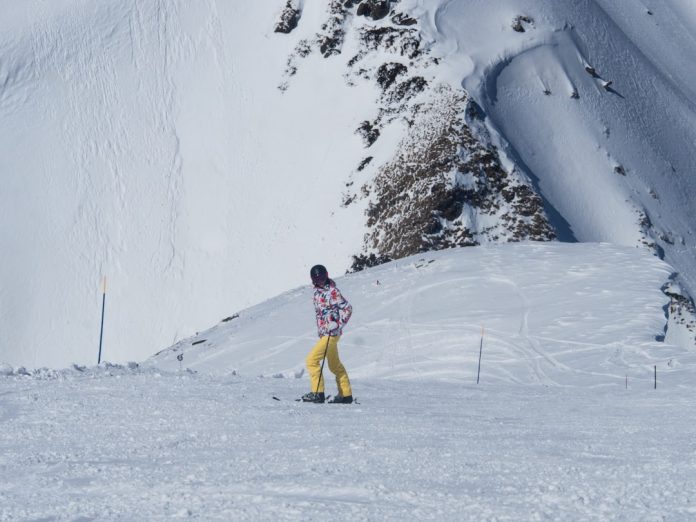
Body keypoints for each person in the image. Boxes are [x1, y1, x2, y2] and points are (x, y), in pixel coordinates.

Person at [302, 264, 353, 404]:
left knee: (311, 360)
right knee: (334, 365)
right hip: (325, 334)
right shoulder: (317, 292)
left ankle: (317, 393)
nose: (321, 282)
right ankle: (346, 395)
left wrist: (338, 324)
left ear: (327, 276)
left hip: (331, 333)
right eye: (317, 280)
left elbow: (348, 309)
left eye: (322, 278)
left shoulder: (333, 291)